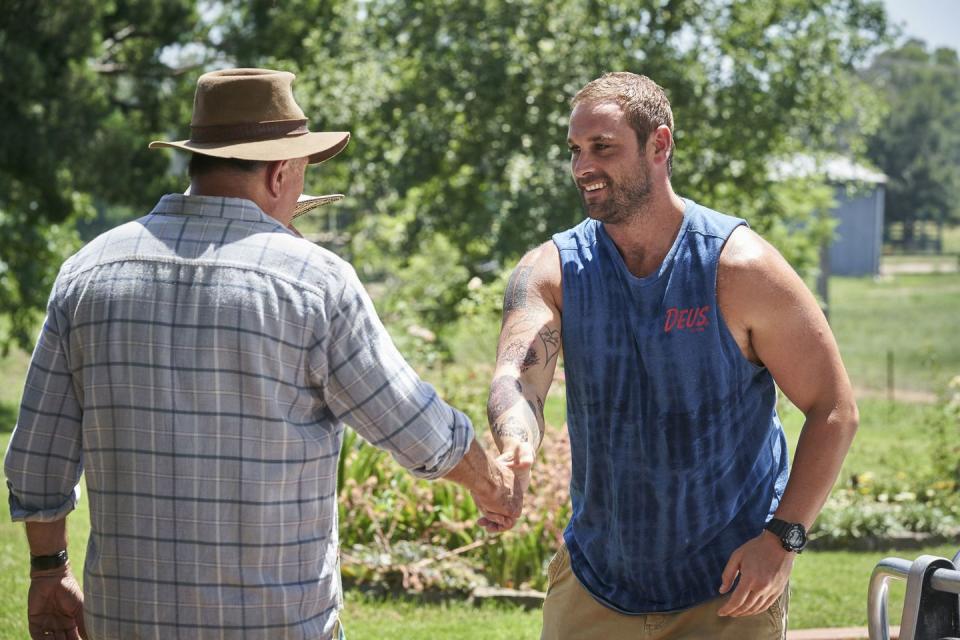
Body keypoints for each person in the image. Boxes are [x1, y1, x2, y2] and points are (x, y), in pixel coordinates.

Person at [5, 68, 524, 640]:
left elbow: (36, 461)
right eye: (303, 174)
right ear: (280, 172)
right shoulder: (314, 282)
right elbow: (415, 428)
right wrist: (491, 482)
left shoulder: (87, 273)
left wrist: (48, 570)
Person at [486, 71, 858, 639]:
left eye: (602, 148)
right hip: (594, 583)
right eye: (575, 151)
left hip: (729, 592)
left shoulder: (739, 268)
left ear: (659, 145)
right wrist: (516, 442)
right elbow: (519, 378)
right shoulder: (553, 269)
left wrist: (783, 539)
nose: (583, 166)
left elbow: (833, 408)